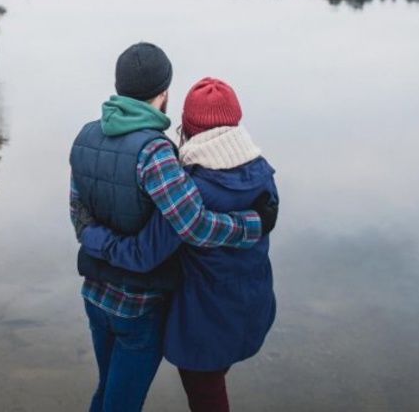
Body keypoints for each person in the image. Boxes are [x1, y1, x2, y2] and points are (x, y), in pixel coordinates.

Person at [70, 43, 277, 412]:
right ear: (164, 93)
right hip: (139, 304)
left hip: (95, 294)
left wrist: (91, 239)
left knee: (106, 394)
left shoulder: (84, 137)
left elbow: (78, 212)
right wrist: (254, 224)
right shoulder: (157, 152)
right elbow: (192, 226)